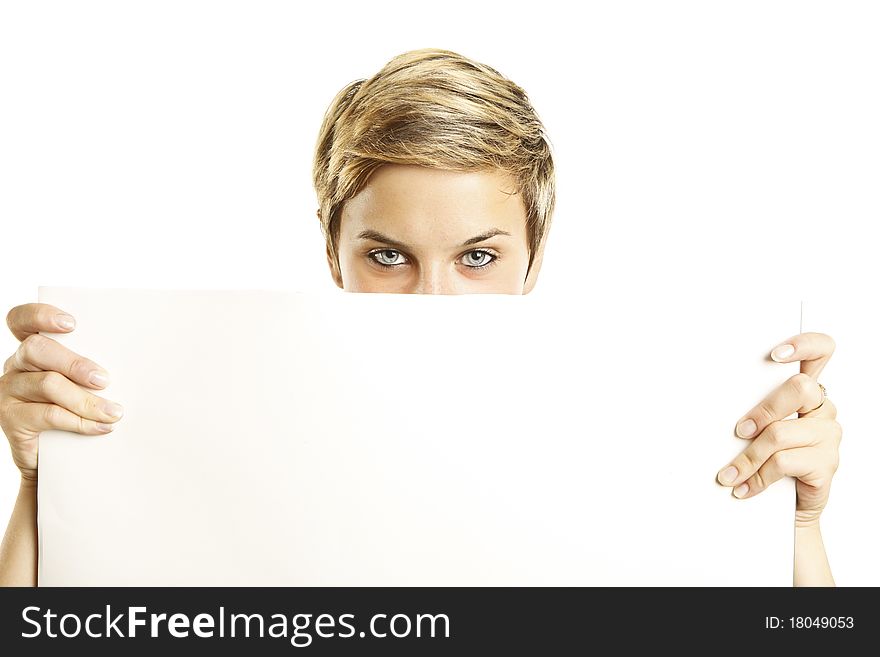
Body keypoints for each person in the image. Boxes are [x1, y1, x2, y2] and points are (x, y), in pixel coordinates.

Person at [0, 48, 841, 586]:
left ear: (533, 259)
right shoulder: (229, 439)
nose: (433, 302)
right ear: (335, 255)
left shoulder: (626, 447)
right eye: (388, 256)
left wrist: (795, 523)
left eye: (478, 257)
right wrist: (47, 485)